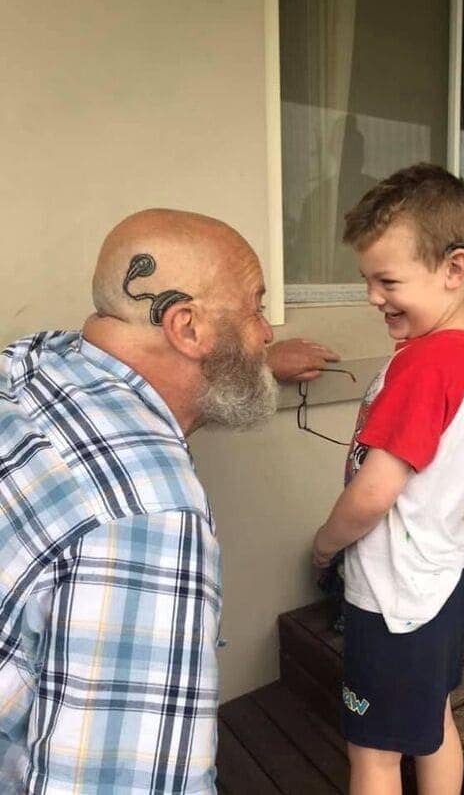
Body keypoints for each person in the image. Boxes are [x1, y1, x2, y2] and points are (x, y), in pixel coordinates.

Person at [0, 208, 338, 794]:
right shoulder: (147, 521)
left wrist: (254, 367)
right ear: (187, 329)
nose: (266, 332)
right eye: (256, 308)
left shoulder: (36, 364)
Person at [312, 164, 464, 795]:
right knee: (434, 720)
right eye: (367, 279)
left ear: (454, 269)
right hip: (440, 577)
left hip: (394, 599)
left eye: (387, 281)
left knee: (374, 755)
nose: (372, 297)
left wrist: (326, 545)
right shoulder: (458, 350)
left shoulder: (424, 365)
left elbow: (374, 493)